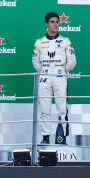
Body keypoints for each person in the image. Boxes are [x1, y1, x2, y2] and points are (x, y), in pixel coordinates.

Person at [32, 12, 76, 145]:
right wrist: (44, 71)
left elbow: (72, 60)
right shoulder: (39, 42)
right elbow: (35, 61)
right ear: (46, 24)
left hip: (60, 74)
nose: (55, 24)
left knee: (62, 107)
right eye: (52, 22)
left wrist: (62, 70)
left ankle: (62, 137)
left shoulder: (65, 41)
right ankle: (45, 137)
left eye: (57, 22)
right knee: (45, 108)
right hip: (44, 75)